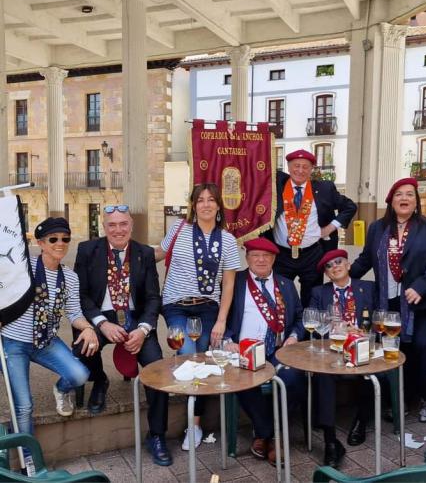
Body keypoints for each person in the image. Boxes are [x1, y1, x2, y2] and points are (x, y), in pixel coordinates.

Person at [72, 205, 171, 466]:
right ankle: (100, 380)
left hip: (135, 320)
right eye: (112, 225)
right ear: (104, 228)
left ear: (131, 226)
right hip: (102, 317)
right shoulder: (87, 250)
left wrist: (144, 329)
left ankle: (157, 435)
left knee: (157, 370)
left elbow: (152, 297)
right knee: (83, 347)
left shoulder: (144, 253)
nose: (118, 230)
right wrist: (101, 324)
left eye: (123, 224)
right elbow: (81, 295)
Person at [351, 178, 426, 423]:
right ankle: (399, 399)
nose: (404, 198)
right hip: (389, 303)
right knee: (394, 351)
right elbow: (365, 260)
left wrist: (420, 287)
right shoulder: (377, 228)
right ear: (391, 201)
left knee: (423, 348)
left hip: (423, 303)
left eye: (410, 195)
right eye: (399, 194)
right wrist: (342, 277)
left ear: (416, 201)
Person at [155, 183, 240, 451]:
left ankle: (195, 425)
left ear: (218, 205)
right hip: (176, 305)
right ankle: (191, 423)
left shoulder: (227, 239)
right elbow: (157, 253)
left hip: (207, 308)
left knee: (201, 362)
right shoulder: (179, 229)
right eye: (200, 200)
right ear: (193, 205)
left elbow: (228, 284)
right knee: (190, 354)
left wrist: (222, 320)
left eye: (211, 200)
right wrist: (124, 254)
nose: (205, 204)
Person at [0, 218, 96, 437]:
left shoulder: (70, 277)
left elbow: (74, 313)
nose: (60, 243)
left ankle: (61, 390)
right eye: (53, 239)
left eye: (65, 239)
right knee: (24, 407)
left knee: (80, 375)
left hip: (46, 341)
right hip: (14, 342)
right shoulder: (23, 266)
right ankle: (28, 460)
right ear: (41, 243)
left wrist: (88, 328)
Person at [226, 237, 304, 466]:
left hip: (279, 350)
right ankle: (267, 433)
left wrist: (293, 336)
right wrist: (229, 339)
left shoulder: (286, 284)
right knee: (244, 380)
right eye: (255, 255)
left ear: (273, 259)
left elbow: (299, 317)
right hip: (245, 349)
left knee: (294, 378)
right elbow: (220, 312)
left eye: (266, 256)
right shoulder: (235, 281)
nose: (260, 260)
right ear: (247, 258)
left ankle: (269, 434)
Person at [310, 249, 377, 465]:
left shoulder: (368, 288)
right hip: (333, 349)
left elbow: (379, 316)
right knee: (323, 375)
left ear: (348, 265)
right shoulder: (319, 293)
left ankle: (361, 420)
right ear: (327, 274)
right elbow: (313, 322)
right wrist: (333, 327)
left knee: (369, 373)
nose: (335, 267)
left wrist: (365, 332)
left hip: (363, 347)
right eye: (329, 266)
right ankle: (331, 441)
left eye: (339, 262)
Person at [267, 149, 357, 308]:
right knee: (280, 295)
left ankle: (308, 330)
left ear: (311, 170)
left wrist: (330, 228)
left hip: (312, 253)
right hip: (281, 254)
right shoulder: (276, 185)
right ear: (288, 167)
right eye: (296, 166)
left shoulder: (324, 189)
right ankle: (286, 329)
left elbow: (349, 207)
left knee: (312, 297)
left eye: (305, 167)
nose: (300, 170)